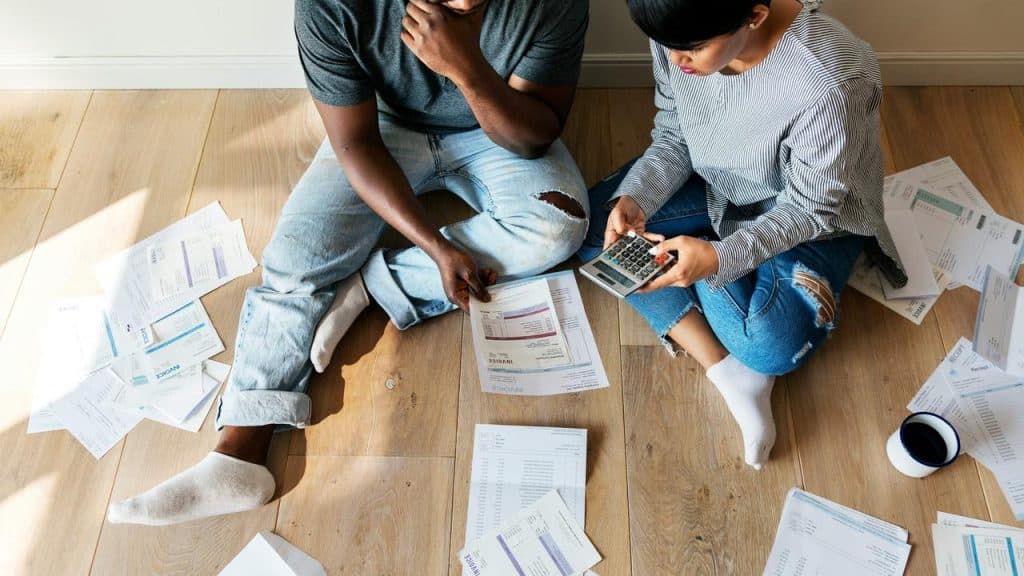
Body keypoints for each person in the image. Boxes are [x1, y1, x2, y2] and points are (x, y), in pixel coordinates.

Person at [107, 0, 590, 526]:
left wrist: (466, 68)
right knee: (294, 260)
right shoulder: (331, 6)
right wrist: (435, 245)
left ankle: (370, 287)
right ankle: (240, 448)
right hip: (381, 130)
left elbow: (534, 135)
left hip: (495, 126)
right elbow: (354, 142)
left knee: (559, 227)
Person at [578, 0, 904, 470]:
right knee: (589, 228)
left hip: (810, 219)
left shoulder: (832, 79)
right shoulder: (679, 25)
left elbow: (811, 208)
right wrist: (638, 198)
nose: (675, 60)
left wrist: (717, 258)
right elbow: (676, 134)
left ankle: (709, 270)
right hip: (716, 183)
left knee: (770, 345)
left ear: (753, 15)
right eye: (667, 46)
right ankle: (725, 370)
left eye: (693, 49)